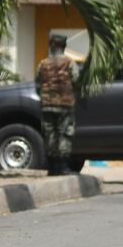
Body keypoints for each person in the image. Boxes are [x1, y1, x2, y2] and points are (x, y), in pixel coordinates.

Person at [35, 33, 80, 176]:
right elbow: (76, 81)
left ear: (51, 45)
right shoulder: (70, 63)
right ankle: (62, 167)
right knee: (64, 134)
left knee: (49, 135)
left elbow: (37, 85)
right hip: (64, 106)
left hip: (47, 105)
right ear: (64, 46)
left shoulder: (42, 63)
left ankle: (52, 167)